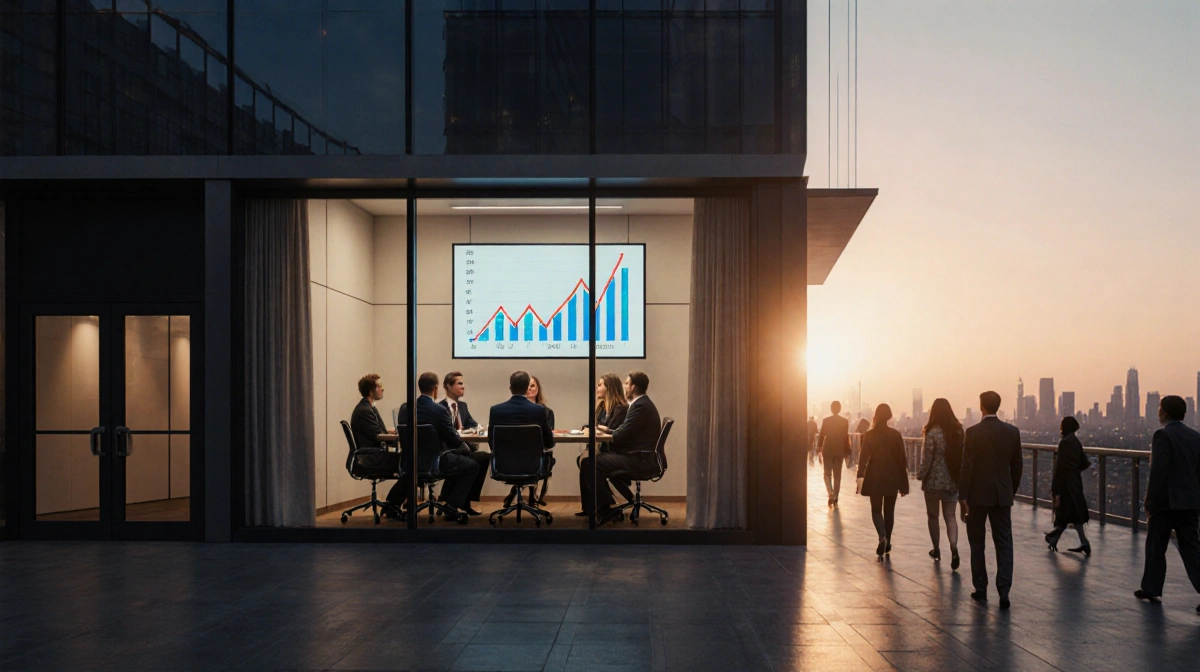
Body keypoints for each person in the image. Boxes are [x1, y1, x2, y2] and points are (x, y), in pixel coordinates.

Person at [1135, 395, 1200, 613]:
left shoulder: (1162, 435)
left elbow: (1158, 472)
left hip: (1164, 503)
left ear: (1165, 412)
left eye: (1159, 408)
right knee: (1191, 549)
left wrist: (1149, 501)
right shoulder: (1195, 437)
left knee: (1155, 547)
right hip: (1189, 503)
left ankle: (1151, 588)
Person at [958, 391, 1022, 610]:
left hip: (977, 496)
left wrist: (962, 496)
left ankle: (981, 587)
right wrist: (1009, 491)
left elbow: (966, 467)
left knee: (977, 542)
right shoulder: (1012, 432)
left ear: (981, 406)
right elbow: (1017, 467)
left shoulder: (973, 433)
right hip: (1001, 495)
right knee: (1004, 543)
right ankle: (1004, 590)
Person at [388, 372, 480, 524]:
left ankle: (392, 504)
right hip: (435, 462)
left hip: (409, 461)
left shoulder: (405, 408)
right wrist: (464, 447)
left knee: (454, 461)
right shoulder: (439, 410)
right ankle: (451, 506)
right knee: (471, 465)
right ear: (436, 389)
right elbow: (453, 441)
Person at [580, 370, 660, 521]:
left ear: (634, 387)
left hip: (638, 459)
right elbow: (623, 432)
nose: (624, 387)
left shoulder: (640, 406)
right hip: (637, 456)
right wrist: (608, 430)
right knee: (591, 461)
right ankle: (604, 507)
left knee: (590, 462)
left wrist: (609, 432)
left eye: (627, 383)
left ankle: (605, 508)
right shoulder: (640, 404)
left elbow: (620, 436)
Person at [488, 371, 556, 508]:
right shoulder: (538, 410)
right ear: (526, 388)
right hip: (532, 465)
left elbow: (492, 442)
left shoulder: (496, 410)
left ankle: (519, 493)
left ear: (510, 388)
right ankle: (530, 494)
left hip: (502, 465)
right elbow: (549, 443)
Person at [856, 404, 909, 559]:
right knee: (889, 511)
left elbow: (863, 457)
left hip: (874, 476)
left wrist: (860, 475)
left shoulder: (869, 435)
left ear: (876, 416)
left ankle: (881, 536)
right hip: (892, 476)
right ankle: (889, 541)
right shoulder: (896, 435)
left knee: (876, 510)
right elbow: (902, 460)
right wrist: (903, 482)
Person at [916, 398, 963, 570]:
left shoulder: (931, 432)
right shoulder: (958, 431)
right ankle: (954, 547)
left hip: (933, 482)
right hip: (951, 480)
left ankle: (936, 549)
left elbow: (927, 458)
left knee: (933, 516)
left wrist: (920, 475)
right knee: (950, 517)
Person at [576, 373, 632, 516]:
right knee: (584, 460)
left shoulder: (621, 409)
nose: (597, 387)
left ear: (609, 388)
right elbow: (597, 426)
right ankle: (591, 507)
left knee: (588, 463)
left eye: (600, 384)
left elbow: (611, 432)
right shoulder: (602, 407)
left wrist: (596, 429)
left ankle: (605, 506)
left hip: (618, 453)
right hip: (605, 450)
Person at [438, 371, 491, 511]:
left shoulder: (462, 406)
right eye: (459, 383)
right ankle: (454, 503)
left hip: (462, 449)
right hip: (446, 451)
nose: (463, 387)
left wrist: (481, 428)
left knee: (484, 457)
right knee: (470, 462)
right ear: (448, 386)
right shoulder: (439, 408)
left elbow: (473, 425)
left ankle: (465, 501)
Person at [349, 374, 401, 514]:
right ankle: (391, 506)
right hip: (370, 457)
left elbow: (379, 432)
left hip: (372, 454)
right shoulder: (365, 411)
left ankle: (393, 504)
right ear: (371, 390)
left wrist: (391, 431)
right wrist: (396, 434)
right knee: (410, 464)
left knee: (408, 462)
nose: (382, 389)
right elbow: (378, 436)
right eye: (379, 386)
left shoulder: (368, 407)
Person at [1045, 416, 1091, 555]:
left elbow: (1059, 468)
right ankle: (1081, 542)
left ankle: (1054, 537)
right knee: (1073, 513)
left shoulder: (1064, 443)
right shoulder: (1076, 442)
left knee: (1064, 513)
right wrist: (1075, 471)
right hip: (1075, 483)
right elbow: (1085, 463)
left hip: (1065, 484)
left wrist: (1056, 490)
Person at [523, 375, 556, 503]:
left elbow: (549, 438)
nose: (529, 389)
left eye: (532, 385)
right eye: (526, 386)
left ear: (538, 389)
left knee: (542, 457)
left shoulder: (547, 412)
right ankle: (530, 492)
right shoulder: (517, 411)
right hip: (519, 453)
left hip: (539, 451)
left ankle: (522, 491)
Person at [818, 401, 850, 506]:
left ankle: (830, 493)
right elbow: (846, 438)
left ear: (831, 409)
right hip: (839, 450)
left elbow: (821, 435)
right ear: (840, 409)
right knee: (837, 475)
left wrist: (819, 447)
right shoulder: (845, 422)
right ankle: (836, 496)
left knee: (827, 473)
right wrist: (847, 452)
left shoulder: (826, 421)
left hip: (828, 450)